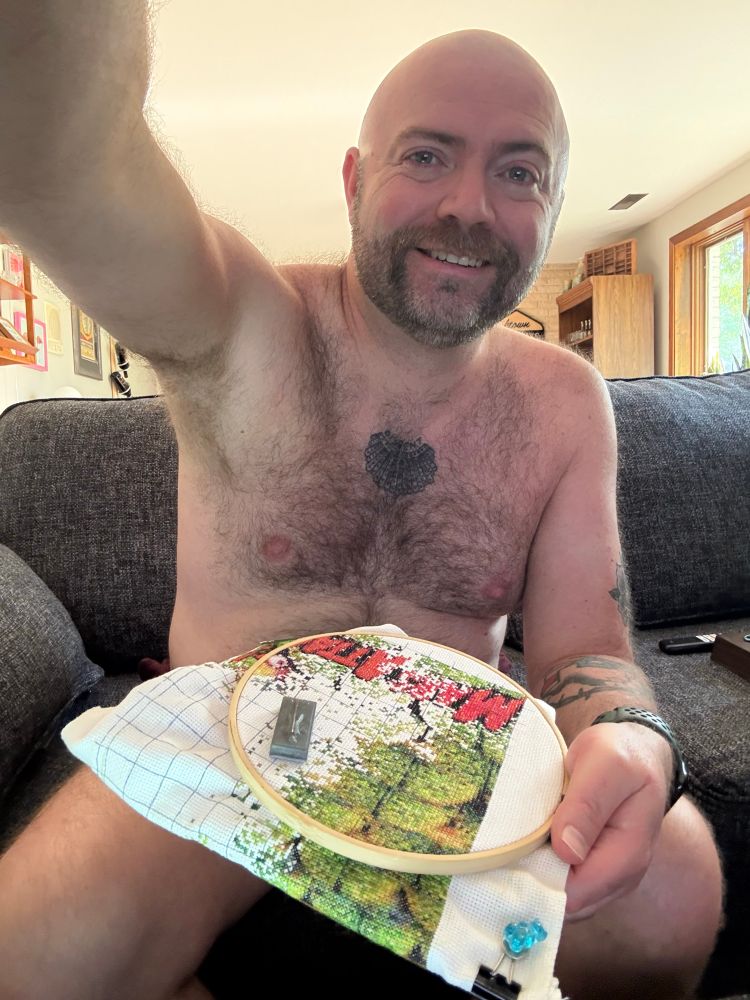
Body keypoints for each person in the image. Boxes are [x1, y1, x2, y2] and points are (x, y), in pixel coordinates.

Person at [0, 11, 722, 1000]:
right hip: (227, 769)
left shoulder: (564, 401)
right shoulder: (239, 325)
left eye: (519, 172)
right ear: (354, 180)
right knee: (28, 960)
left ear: (552, 207)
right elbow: (75, 168)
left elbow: (585, 649)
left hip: (446, 776)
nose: (468, 206)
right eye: (427, 156)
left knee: (679, 882)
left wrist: (634, 734)